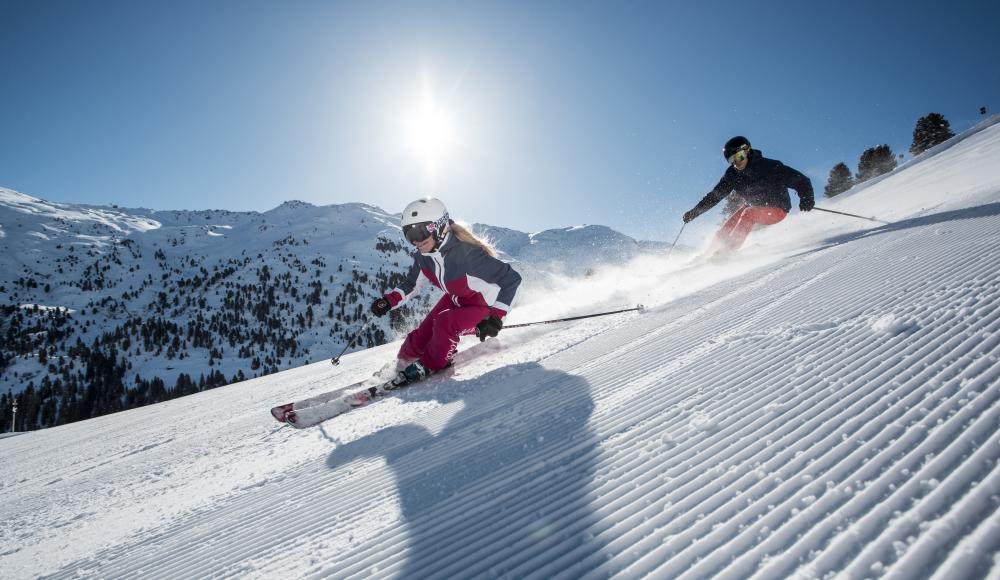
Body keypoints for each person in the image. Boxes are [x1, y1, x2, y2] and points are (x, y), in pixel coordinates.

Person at [369, 197, 522, 387]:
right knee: (420, 335)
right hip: (457, 298)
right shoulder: (423, 256)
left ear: (438, 227)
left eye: (420, 231)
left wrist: (496, 317)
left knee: (444, 323)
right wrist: (389, 301)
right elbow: (411, 284)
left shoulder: (468, 255)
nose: (416, 240)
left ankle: (433, 364)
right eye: (409, 234)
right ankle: (403, 363)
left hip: (485, 309)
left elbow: (511, 279)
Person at [682, 136, 815, 254]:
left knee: (748, 213)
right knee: (732, 220)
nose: (736, 162)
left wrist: (806, 198)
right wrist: (695, 212)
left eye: (739, 156)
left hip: (777, 210)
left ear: (748, 152)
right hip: (755, 208)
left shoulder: (770, 167)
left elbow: (800, 180)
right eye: (731, 159)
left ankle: (728, 251)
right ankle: (709, 253)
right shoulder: (732, 175)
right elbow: (715, 196)